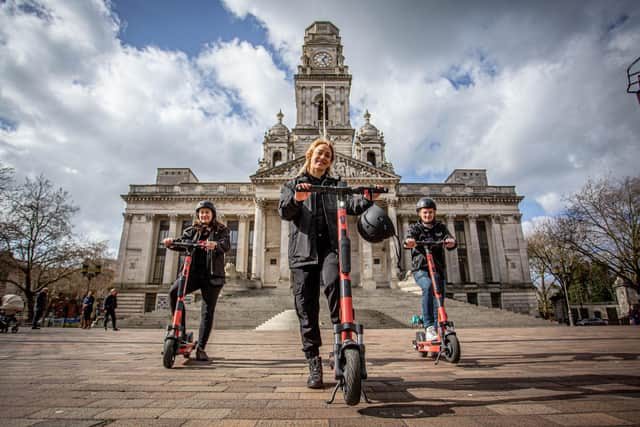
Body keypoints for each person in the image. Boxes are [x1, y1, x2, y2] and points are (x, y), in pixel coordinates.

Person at [278, 138, 380, 388]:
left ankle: (342, 345)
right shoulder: (291, 184)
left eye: (328, 155)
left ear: (331, 161)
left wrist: (367, 197)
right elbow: (284, 211)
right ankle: (313, 360)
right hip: (303, 253)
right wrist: (297, 198)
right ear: (310, 154)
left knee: (337, 286)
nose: (323, 158)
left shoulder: (337, 185)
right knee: (306, 309)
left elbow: (352, 205)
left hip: (331, 250)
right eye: (319, 153)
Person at [163, 200, 230, 362]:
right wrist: (170, 243)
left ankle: (201, 347)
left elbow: (226, 245)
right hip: (191, 274)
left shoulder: (222, 230)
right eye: (201, 212)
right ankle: (181, 331)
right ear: (198, 215)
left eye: (207, 212)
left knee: (207, 311)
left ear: (213, 214)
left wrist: (216, 245)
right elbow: (182, 242)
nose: (204, 215)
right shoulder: (191, 230)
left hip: (212, 276)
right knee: (173, 293)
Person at [404, 197, 457, 341]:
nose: (428, 215)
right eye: (425, 212)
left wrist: (451, 242)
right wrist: (409, 242)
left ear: (434, 213)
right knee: (427, 287)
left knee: (439, 297)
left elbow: (451, 240)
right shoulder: (415, 228)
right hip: (420, 268)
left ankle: (437, 326)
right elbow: (408, 238)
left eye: (430, 212)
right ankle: (428, 326)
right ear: (419, 214)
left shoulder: (441, 227)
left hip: (437, 269)